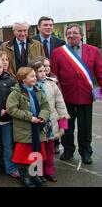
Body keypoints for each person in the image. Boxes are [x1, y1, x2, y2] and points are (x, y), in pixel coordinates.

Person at [51, 23, 102, 165]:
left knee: (85, 127)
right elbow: (54, 76)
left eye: (75, 33)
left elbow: (99, 73)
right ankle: (68, 150)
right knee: (66, 125)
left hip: (86, 96)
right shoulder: (58, 52)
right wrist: (56, 98)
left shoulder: (93, 50)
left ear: (81, 35)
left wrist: (99, 93)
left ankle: (86, 152)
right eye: (69, 33)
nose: (71, 35)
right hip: (65, 97)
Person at [6, 67, 50, 187]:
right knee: (24, 154)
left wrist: (42, 117)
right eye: (32, 76)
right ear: (23, 79)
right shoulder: (16, 93)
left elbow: (46, 107)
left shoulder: (38, 91)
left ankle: (35, 176)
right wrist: (29, 117)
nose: (35, 78)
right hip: (24, 129)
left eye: (35, 76)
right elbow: (11, 109)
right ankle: (25, 177)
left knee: (36, 152)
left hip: (37, 129)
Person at [31, 60, 69, 182]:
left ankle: (49, 171)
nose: (43, 73)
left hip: (51, 123)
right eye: (39, 71)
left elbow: (60, 103)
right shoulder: (30, 85)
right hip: (36, 123)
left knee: (50, 150)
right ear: (33, 72)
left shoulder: (52, 84)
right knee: (37, 149)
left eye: (44, 70)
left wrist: (63, 123)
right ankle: (37, 172)